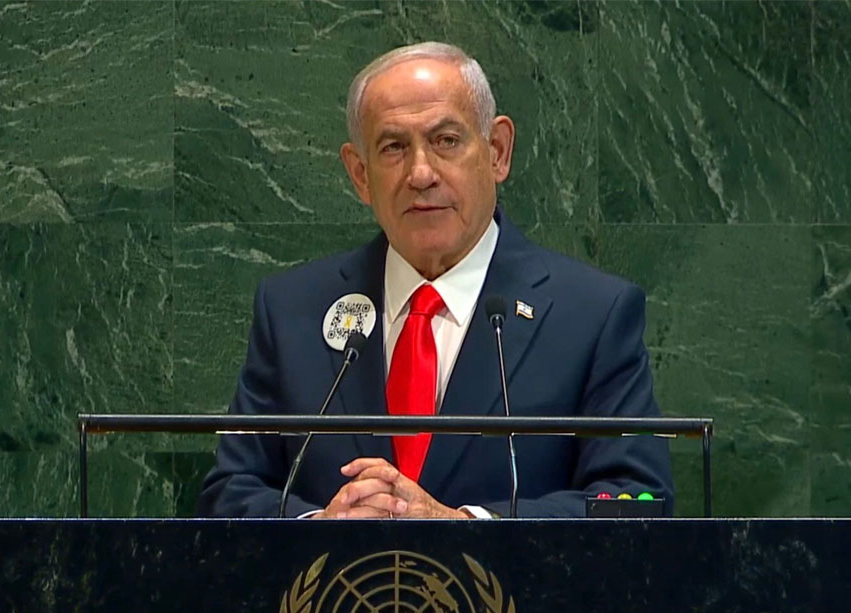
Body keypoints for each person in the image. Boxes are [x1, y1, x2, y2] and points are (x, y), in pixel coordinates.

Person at [197, 42, 672, 519]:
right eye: (393, 147)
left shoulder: (592, 314)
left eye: (446, 140)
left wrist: (464, 525)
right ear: (360, 175)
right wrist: (320, 526)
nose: (421, 174)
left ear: (497, 151)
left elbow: (637, 500)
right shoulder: (292, 311)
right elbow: (229, 494)